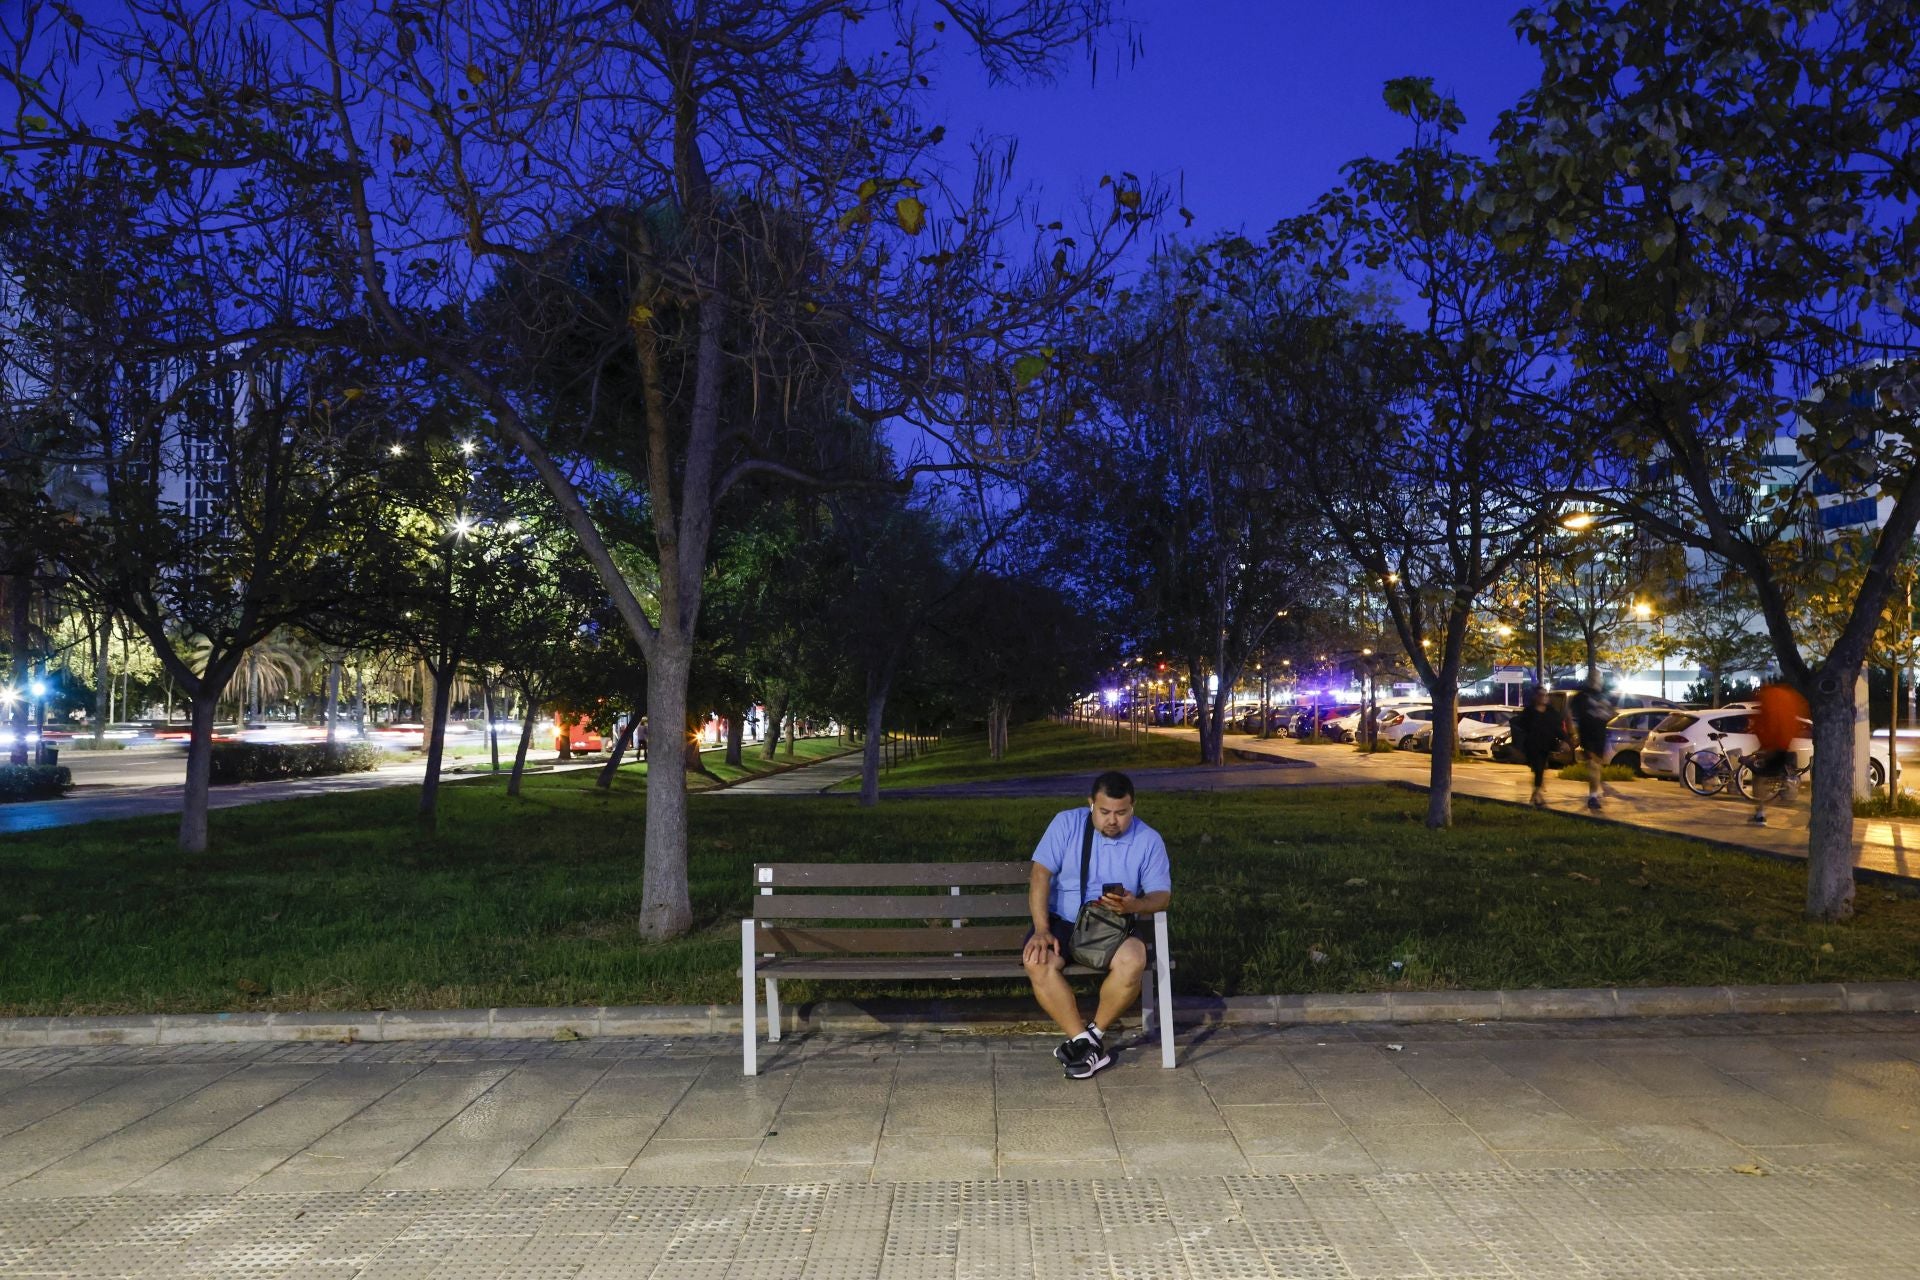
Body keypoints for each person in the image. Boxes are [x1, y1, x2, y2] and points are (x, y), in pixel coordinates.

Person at [1023, 771, 1172, 1079]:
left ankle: (1089, 1039)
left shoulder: (1148, 840)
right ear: (1091, 804)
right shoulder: (1066, 824)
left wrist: (1136, 905)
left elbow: (1162, 896)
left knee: (1134, 960)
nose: (1113, 820)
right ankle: (1084, 1041)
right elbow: (1040, 875)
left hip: (1111, 925)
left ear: (1133, 806)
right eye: (1104, 812)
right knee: (1037, 961)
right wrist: (1041, 929)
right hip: (1062, 921)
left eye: (1122, 812)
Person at [1748, 682, 1810, 825]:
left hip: (1772, 744)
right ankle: (1786, 785)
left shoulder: (1768, 698)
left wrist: (1764, 743)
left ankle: (1760, 814)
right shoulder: (1789, 698)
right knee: (1779, 773)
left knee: (1759, 778)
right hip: (1785, 744)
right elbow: (1794, 721)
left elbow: (1765, 722)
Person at [1512, 685, 1567, 808]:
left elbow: (1557, 728)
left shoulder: (1551, 712)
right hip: (1532, 746)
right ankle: (1537, 794)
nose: (1543, 697)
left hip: (1546, 745)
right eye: (1541, 695)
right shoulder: (1529, 712)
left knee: (1540, 769)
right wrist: (1518, 747)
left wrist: (1565, 740)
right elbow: (1520, 728)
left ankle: (1536, 794)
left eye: (1545, 695)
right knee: (1538, 768)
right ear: (1536, 697)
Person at [1569, 677, 1618, 813]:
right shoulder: (1581, 696)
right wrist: (1573, 732)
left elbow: (1612, 713)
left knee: (1597, 765)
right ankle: (1593, 797)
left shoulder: (1605, 696)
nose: (1597, 682)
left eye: (1598, 678)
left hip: (1600, 735)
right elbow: (1569, 713)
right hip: (1587, 735)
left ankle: (1594, 794)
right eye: (1594, 678)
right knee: (1593, 765)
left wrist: (1606, 713)